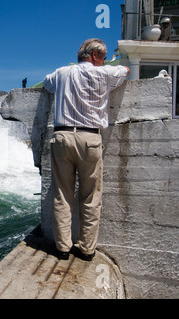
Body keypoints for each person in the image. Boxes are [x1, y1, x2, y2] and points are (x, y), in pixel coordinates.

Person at [43, 39, 130, 261]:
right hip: (90, 138)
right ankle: (87, 248)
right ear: (94, 56)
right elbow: (125, 71)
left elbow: (47, 83)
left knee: (62, 194)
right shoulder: (105, 74)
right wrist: (120, 66)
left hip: (62, 136)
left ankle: (62, 248)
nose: (103, 61)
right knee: (91, 195)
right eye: (103, 56)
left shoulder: (62, 73)